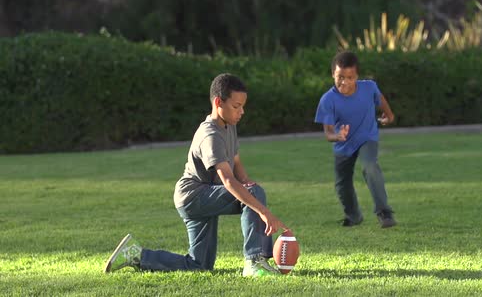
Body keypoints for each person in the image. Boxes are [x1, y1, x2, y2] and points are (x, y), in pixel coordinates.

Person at [104, 73, 288, 277]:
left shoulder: (230, 126)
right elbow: (227, 180)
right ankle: (254, 261)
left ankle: (136, 255)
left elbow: (235, 162)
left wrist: (246, 182)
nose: (242, 111)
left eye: (243, 106)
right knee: (253, 193)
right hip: (194, 196)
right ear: (218, 102)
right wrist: (264, 211)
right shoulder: (210, 135)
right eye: (236, 106)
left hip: (199, 196)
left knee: (199, 265)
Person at [314, 51, 397, 228]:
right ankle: (354, 216)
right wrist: (337, 136)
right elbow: (328, 133)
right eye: (340, 77)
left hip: (367, 137)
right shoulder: (328, 100)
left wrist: (389, 116)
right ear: (333, 75)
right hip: (343, 145)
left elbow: (380, 99)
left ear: (356, 76)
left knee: (370, 166)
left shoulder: (369, 88)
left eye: (349, 77)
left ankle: (384, 212)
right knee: (342, 184)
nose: (344, 82)